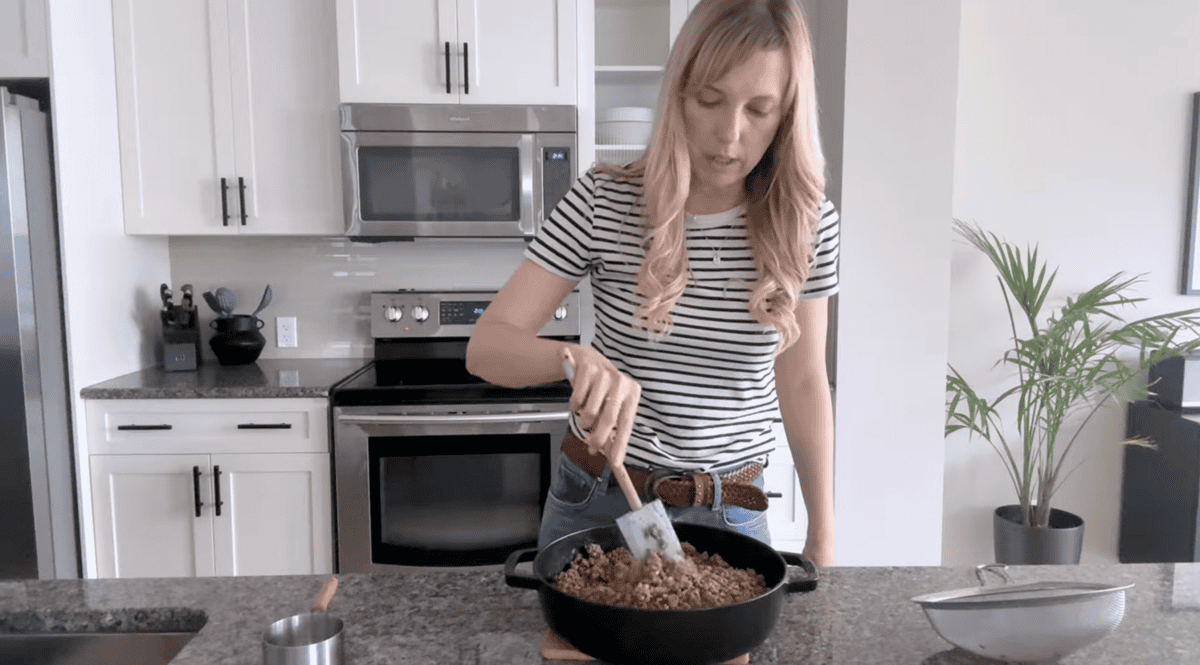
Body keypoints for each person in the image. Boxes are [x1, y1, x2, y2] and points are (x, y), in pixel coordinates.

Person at [465, 0, 838, 568]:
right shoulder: (604, 201)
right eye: (710, 100)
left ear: (787, 114)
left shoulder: (808, 225)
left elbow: (806, 383)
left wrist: (823, 534)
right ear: (678, 95)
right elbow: (486, 348)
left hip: (734, 511)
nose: (729, 134)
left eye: (759, 109)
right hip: (599, 501)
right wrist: (573, 359)